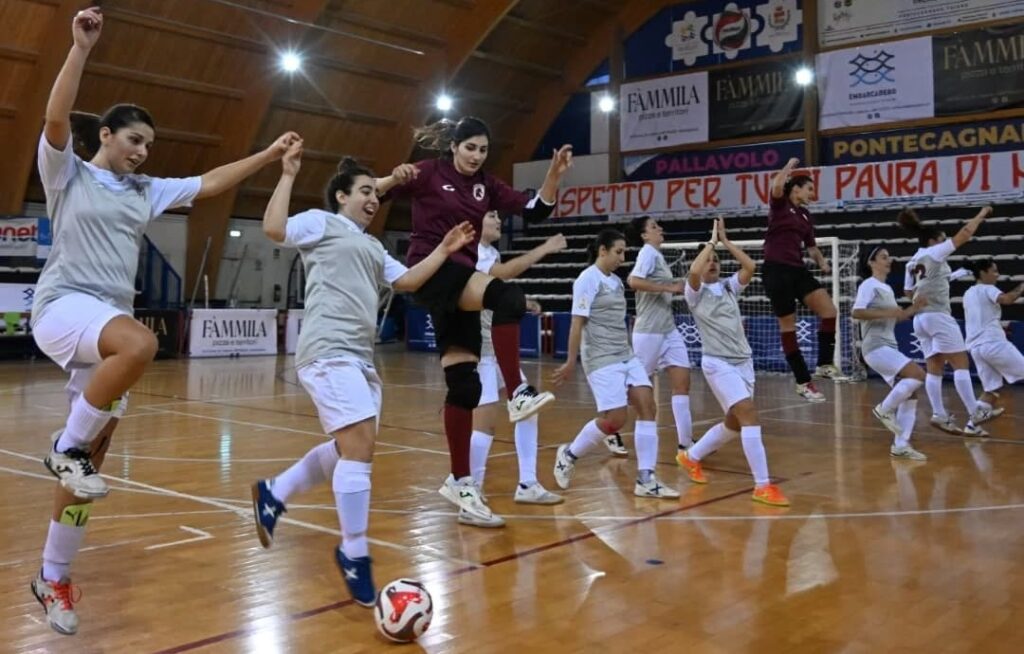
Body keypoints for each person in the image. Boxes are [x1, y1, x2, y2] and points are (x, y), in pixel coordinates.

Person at [29, 6, 300, 635]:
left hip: (104, 330)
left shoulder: (144, 190)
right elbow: (53, 117)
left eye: (149, 145)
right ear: (106, 137)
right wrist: (80, 50)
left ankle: (53, 577)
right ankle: (64, 448)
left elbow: (207, 184)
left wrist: (265, 156)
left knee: (89, 475)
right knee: (142, 345)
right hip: (64, 307)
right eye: (134, 141)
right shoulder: (67, 173)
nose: (143, 152)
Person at [251, 151, 475, 605]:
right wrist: (288, 175)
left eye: (376, 192)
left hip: (359, 355)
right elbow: (274, 229)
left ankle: (275, 492)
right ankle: (354, 551)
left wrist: (443, 250)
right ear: (342, 197)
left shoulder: (373, 247)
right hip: (327, 348)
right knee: (360, 448)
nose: (375, 198)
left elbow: (409, 281)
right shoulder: (321, 222)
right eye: (366, 191)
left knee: (349, 447)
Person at [374, 117, 572, 527]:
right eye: (470, 148)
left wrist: (553, 175)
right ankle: (518, 389)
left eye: (482, 150)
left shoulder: (488, 185)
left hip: (460, 283)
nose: (476, 156)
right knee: (508, 297)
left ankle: (462, 484)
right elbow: (373, 194)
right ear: (454, 147)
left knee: (464, 386)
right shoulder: (429, 172)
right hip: (434, 270)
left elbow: (535, 211)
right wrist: (392, 178)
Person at [550, 229, 680, 500]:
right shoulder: (587, 279)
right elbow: (577, 323)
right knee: (615, 419)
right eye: (619, 252)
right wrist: (571, 361)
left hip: (625, 353)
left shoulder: (617, 282)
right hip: (600, 357)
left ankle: (646, 478)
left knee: (647, 405)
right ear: (603, 251)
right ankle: (569, 455)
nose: (623, 257)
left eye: (624, 252)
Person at [676, 220, 789, 507]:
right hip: (717, 363)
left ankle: (691, 457)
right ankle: (762, 486)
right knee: (749, 413)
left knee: (735, 423)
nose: (712, 264)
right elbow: (692, 272)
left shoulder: (728, 287)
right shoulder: (694, 293)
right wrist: (710, 244)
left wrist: (725, 242)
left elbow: (750, 267)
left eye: (715, 261)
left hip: (744, 362)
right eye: (707, 261)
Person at [468, 211, 566, 510]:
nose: (499, 220)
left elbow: (492, 293)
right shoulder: (471, 251)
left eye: (500, 215)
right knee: (484, 422)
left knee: (527, 407)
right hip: (477, 348)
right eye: (493, 215)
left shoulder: (490, 251)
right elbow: (505, 272)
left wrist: (524, 304)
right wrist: (545, 248)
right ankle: (470, 489)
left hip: (497, 348)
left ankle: (528, 483)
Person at [899, 206, 998, 435]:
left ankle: (939, 414)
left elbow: (908, 291)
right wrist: (981, 215)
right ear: (934, 241)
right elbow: (964, 234)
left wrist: (949, 277)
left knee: (934, 367)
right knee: (960, 362)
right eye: (943, 239)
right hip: (938, 316)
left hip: (920, 319)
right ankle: (975, 411)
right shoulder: (935, 252)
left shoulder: (912, 261)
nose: (946, 242)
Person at [763, 158, 839, 402]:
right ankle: (803, 381)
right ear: (795, 188)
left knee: (829, 310)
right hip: (776, 271)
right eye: (809, 189)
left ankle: (824, 364)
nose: (812, 194)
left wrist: (823, 263)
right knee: (789, 328)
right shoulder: (780, 205)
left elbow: (812, 248)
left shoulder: (806, 216)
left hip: (798, 270)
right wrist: (788, 168)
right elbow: (776, 186)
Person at [625, 216, 693, 458]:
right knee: (636, 390)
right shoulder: (647, 253)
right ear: (644, 235)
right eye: (654, 227)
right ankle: (609, 425)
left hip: (668, 329)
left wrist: (676, 284)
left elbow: (662, 284)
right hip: (649, 331)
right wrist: (669, 287)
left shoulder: (657, 255)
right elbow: (633, 281)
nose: (660, 229)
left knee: (682, 382)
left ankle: (686, 445)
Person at [852, 247, 929, 460]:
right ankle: (884, 409)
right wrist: (888, 312)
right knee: (918, 375)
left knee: (910, 395)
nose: (889, 260)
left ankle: (901, 445)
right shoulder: (869, 285)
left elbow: (898, 317)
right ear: (871, 262)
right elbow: (856, 312)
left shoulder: (885, 288)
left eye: (889, 256)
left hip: (888, 346)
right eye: (884, 257)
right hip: (875, 347)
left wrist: (915, 306)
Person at [962, 258, 1023, 415]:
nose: (997, 275)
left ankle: (972, 425)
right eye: (994, 271)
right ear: (983, 273)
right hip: (993, 343)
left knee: (992, 390)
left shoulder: (968, 293)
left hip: (976, 349)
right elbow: (1007, 299)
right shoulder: (987, 288)